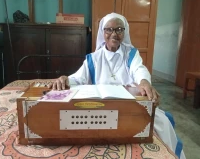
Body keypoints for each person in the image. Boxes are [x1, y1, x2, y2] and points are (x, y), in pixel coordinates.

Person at [52, 13, 186, 159]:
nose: (113, 34)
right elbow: (78, 78)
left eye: (119, 29)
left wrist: (144, 81)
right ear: (103, 32)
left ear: (125, 32)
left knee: (162, 123)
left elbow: (139, 69)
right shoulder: (94, 58)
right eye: (108, 30)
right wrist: (65, 79)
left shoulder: (131, 54)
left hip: (128, 105)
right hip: (102, 106)